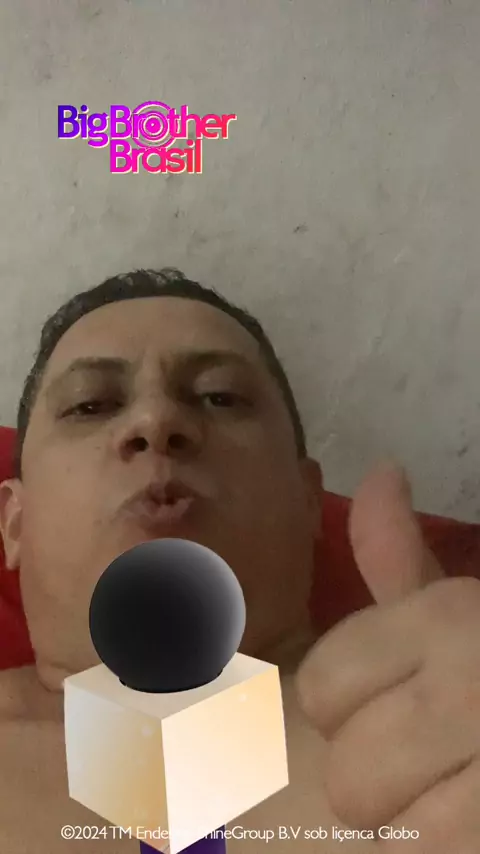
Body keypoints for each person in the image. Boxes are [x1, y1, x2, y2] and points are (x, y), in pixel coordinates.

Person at [1, 267, 479, 853]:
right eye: (90, 404)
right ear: (13, 522)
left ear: (308, 500)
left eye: (220, 397)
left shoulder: (450, 713)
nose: (156, 421)